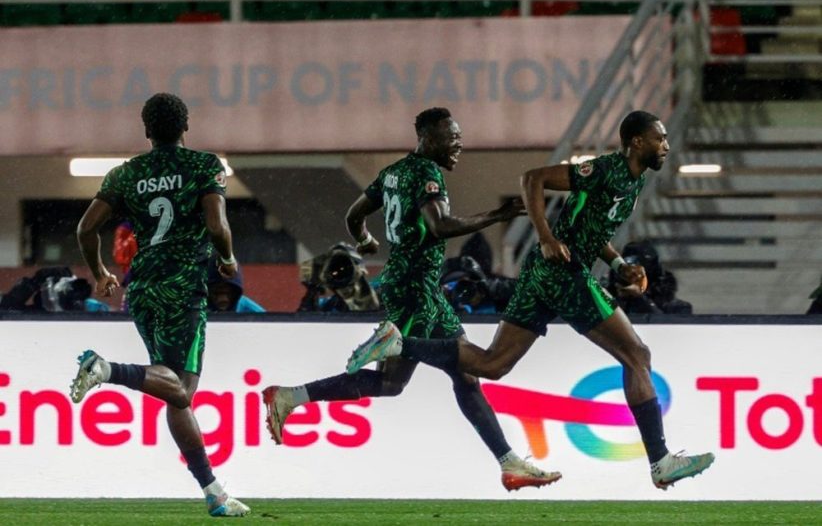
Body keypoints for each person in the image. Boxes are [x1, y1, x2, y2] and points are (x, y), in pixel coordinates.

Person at [347, 111, 715, 490]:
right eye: (660, 138)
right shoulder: (606, 170)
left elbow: (590, 228)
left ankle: (398, 344)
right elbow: (532, 178)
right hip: (564, 274)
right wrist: (545, 237)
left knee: (493, 365)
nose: (666, 146)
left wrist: (619, 264)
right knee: (637, 355)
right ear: (637, 142)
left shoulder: (633, 181)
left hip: (543, 273)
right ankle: (660, 461)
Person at [263, 107, 560, 491]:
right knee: (434, 377)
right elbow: (440, 225)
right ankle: (317, 383)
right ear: (428, 138)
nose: (458, 145)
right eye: (452, 138)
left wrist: (365, 239)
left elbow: (354, 214)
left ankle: (509, 463)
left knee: (441, 380)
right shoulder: (426, 174)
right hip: (416, 288)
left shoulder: (393, 173)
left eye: (459, 138)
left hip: (415, 286)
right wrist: (496, 215)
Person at [70, 93, 249, 517]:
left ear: (147, 131)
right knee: (182, 388)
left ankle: (213, 493)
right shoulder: (203, 165)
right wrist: (227, 259)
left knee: (173, 390)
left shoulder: (126, 174)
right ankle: (105, 369)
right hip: (183, 286)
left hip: (143, 288)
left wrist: (100, 273)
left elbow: (86, 229)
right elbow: (216, 224)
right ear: (186, 126)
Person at [606, 241, 692, 315]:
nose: (630, 279)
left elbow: (664, 325)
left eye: (636, 275)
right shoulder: (608, 299)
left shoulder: (678, 308)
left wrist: (640, 298)